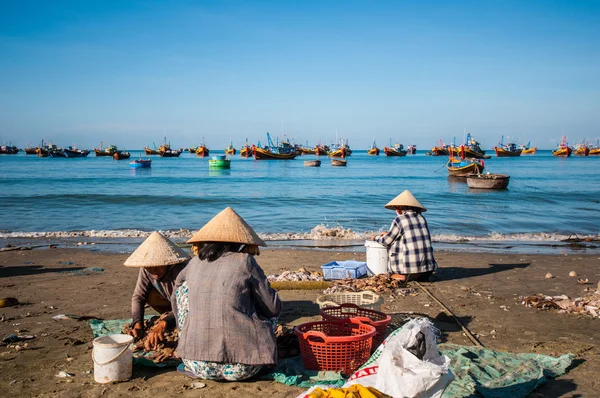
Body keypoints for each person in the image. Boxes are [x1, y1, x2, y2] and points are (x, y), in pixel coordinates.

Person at [172, 207, 281, 381]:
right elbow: (273, 308)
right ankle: (257, 354)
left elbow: (177, 291)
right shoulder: (245, 260)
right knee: (270, 313)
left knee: (183, 290)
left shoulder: (193, 263)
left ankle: (190, 343)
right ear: (238, 243)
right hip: (243, 367)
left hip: (197, 364)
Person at [124, 231, 190, 348]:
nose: (154, 272)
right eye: (150, 268)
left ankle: (172, 319)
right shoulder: (146, 269)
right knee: (147, 294)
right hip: (170, 303)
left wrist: (164, 323)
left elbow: (186, 305)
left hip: (188, 305)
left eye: (158, 266)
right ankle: (171, 317)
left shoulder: (182, 269)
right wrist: (137, 324)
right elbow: (138, 297)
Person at [371, 190, 437, 282]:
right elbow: (409, 234)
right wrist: (389, 233)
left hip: (410, 272)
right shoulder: (422, 218)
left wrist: (375, 238)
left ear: (398, 209)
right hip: (428, 271)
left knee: (387, 275)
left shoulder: (399, 220)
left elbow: (386, 241)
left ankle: (403, 276)